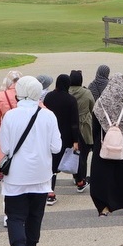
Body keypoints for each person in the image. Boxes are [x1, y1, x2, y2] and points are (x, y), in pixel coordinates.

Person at [0, 76, 62, 246]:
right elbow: (56, 147)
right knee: (36, 214)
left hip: (16, 175)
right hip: (41, 174)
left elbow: (6, 148)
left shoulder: (10, 116)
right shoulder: (48, 115)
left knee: (15, 215)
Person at [90, 72, 123, 216]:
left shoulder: (100, 104)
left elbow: (95, 128)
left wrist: (96, 145)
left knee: (106, 176)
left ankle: (104, 204)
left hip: (104, 144)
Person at [42, 74, 79, 206]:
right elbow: (75, 122)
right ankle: (78, 181)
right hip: (65, 135)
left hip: (49, 134)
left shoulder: (49, 97)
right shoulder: (71, 100)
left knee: (50, 164)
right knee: (62, 162)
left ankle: (49, 191)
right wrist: (76, 140)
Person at [0, 70, 21, 176]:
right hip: (23, 127)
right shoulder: (23, 93)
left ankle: (0, 167)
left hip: (7, 128)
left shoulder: (0, 96)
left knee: (3, 151)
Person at [68, 70, 94, 192]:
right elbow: (92, 107)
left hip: (70, 124)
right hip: (84, 124)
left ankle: (75, 175)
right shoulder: (86, 92)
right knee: (83, 153)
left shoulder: (66, 92)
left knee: (73, 151)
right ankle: (81, 178)